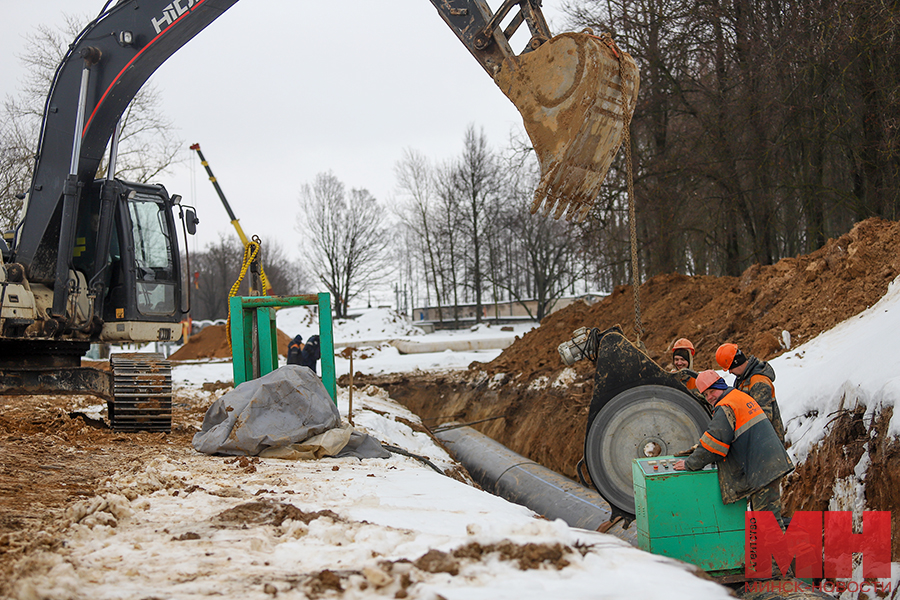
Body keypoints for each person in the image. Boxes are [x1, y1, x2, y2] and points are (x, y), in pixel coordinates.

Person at [674, 370, 793, 530]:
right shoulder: (738, 396)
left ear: (721, 386)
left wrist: (691, 463)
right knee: (768, 519)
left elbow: (713, 444)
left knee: (768, 523)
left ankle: (780, 555)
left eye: (712, 391)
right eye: (706, 394)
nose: (710, 397)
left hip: (762, 469)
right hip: (768, 464)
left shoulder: (725, 406)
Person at [715, 343, 785, 444]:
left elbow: (763, 419)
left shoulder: (758, 382)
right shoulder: (742, 380)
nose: (730, 372)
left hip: (768, 443)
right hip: (755, 441)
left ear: (736, 362)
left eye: (730, 368)